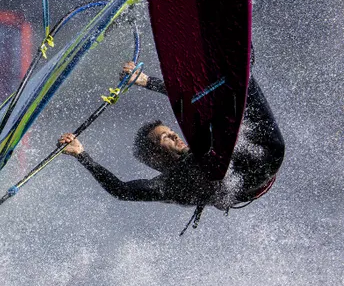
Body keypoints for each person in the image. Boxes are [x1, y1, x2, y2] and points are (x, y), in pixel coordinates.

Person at [58, 62, 284, 227]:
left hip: (264, 147)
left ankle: (237, 58)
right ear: (155, 158)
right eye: (165, 138)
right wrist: (82, 154)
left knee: (239, 77)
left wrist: (147, 81)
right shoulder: (172, 184)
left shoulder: (198, 145)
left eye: (171, 132)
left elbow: (187, 99)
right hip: (256, 171)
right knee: (206, 121)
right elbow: (121, 190)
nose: (176, 136)